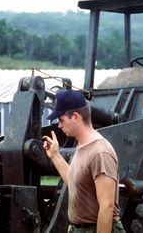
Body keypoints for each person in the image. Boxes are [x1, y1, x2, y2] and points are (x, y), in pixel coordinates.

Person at [42, 89, 125, 233]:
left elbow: (107, 207)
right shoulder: (82, 146)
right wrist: (55, 155)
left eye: (61, 120)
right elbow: (74, 183)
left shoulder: (100, 152)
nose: (59, 125)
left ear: (75, 116)